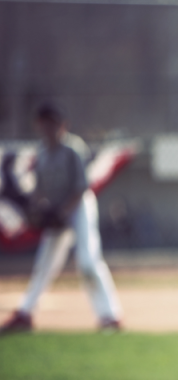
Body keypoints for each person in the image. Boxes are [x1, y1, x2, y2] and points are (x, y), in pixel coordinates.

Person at [0, 103, 123, 334]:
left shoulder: (73, 149)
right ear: (39, 125)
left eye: (53, 123)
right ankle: (25, 313)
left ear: (62, 125)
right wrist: (40, 210)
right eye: (45, 123)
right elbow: (39, 190)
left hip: (79, 207)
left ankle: (109, 316)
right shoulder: (42, 153)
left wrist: (63, 213)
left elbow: (81, 188)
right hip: (57, 211)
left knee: (87, 260)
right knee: (45, 263)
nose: (49, 128)